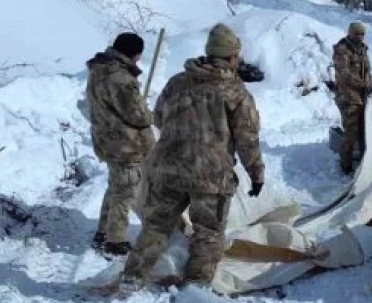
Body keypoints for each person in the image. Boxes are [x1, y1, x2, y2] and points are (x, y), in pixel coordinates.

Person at [121, 23, 264, 289]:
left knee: (156, 226)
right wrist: (256, 174)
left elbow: (160, 117)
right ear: (232, 57)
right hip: (211, 176)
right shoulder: (235, 91)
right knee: (208, 233)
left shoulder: (177, 82)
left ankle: (132, 277)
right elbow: (247, 138)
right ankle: (195, 286)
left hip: (168, 170)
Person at [85, 32, 155, 256]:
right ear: (134, 54)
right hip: (124, 143)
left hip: (105, 138)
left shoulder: (98, 70)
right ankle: (114, 241)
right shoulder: (121, 79)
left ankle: (103, 232)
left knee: (116, 186)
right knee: (124, 192)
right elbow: (138, 116)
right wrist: (149, 113)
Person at [331, 21, 372, 174]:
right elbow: (344, 74)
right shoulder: (342, 50)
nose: (360, 37)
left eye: (362, 34)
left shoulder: (362, 49)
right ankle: (345, 165)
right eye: (356, 34)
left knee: (364, 130)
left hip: (361, 97)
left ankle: (362, 159)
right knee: (351, 132)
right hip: (347, 97)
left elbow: (368, 71)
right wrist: (363, 84)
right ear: (349, 33)